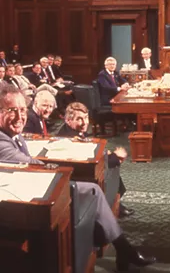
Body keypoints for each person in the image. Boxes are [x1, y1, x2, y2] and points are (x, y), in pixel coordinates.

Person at [0, 84, 156, 271]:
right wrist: (54, 167)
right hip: (24, 203)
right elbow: (33, 166)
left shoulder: (11, 133)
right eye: (12, 110)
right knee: (93, 190)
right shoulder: (2, 140)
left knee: (94, 190)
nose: (20, 117)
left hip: (31, 192)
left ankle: (122, 249)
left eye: (23, 110)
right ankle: (123, 250)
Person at [57, 102, 134, 218]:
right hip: (79, 177)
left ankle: (116, 204)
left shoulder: (70, 130)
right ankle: (110, 208)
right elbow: (90, 161)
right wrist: (114, 157)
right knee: (111, 166)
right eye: (79, 119)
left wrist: (107, 154)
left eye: (86, 118)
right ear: (68, 120)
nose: (84, 123)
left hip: (82, 169)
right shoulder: (70, 138)